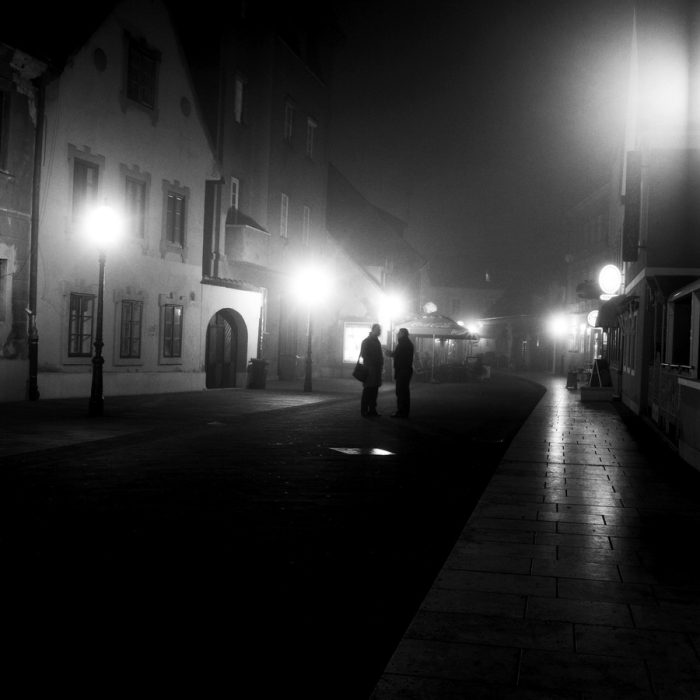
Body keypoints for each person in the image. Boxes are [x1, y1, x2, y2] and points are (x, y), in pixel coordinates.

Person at [360, 323, 384, 417]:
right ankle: (365, 410)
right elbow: (364, 355)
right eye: (378, 330)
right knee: (368, 390)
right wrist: (375, 362)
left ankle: (372, 410)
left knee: (374, 390)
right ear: (373, 330)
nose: (380, 331)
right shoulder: (367, 341)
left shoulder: (375, 341)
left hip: (375, 370)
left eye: (380, 330)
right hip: (370, 370)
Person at [389, 327, 414, 418]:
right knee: (404, 392)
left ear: (403, 334)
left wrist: (390, 354)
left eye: (399, 333)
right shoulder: (407, 343)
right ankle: (404, 412)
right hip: (405, 370)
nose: (397, 334)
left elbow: (398, 355)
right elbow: (399, 355)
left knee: (401, 392)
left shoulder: (403, 343)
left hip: (402, 370)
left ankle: (401, 412)